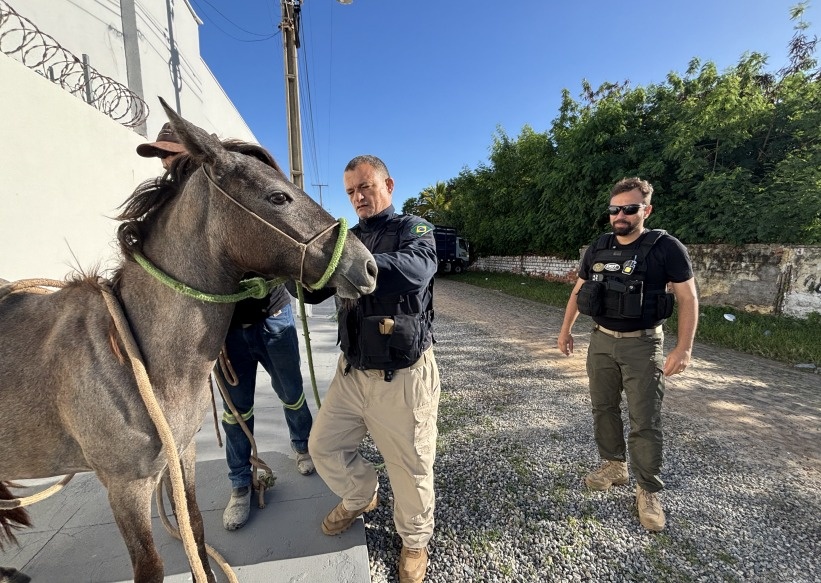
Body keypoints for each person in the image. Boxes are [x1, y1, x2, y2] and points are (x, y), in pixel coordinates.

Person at [136, 127, 315, 533]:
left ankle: (302, 446)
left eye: (170, 154)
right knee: (237, 413)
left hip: (272, 315)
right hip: (226, 330)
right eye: (160, 157)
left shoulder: (233, 182)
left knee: (291, 391)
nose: (165, 164)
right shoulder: (176, 207)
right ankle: (240, 485)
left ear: (196, 151)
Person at [299, 155, 439, 583]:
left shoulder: (414, 230)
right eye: (351, 192)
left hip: (401, 376)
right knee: (322, 446)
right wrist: (294, 270)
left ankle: (415, 540)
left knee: (410, 465)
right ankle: (362, 495)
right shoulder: (347, 238)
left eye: (365, 187)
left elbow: (417, 271)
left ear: (388, 184)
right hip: (351, 372)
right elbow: (312, 294)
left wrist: (350, 265)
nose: (358, 198)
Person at [557, 177, 698, 532]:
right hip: (601, 341)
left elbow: (688, 298)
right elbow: (579, 290)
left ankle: (648, 489)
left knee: (644, 418)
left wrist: (684, 348)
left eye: (629, 208)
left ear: (645, 210)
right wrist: (565, 330)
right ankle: (613, 465)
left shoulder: (666, 247)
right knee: (603, 407)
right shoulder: (598, 246)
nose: (620, 215)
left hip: (643, 343)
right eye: (614, 209)